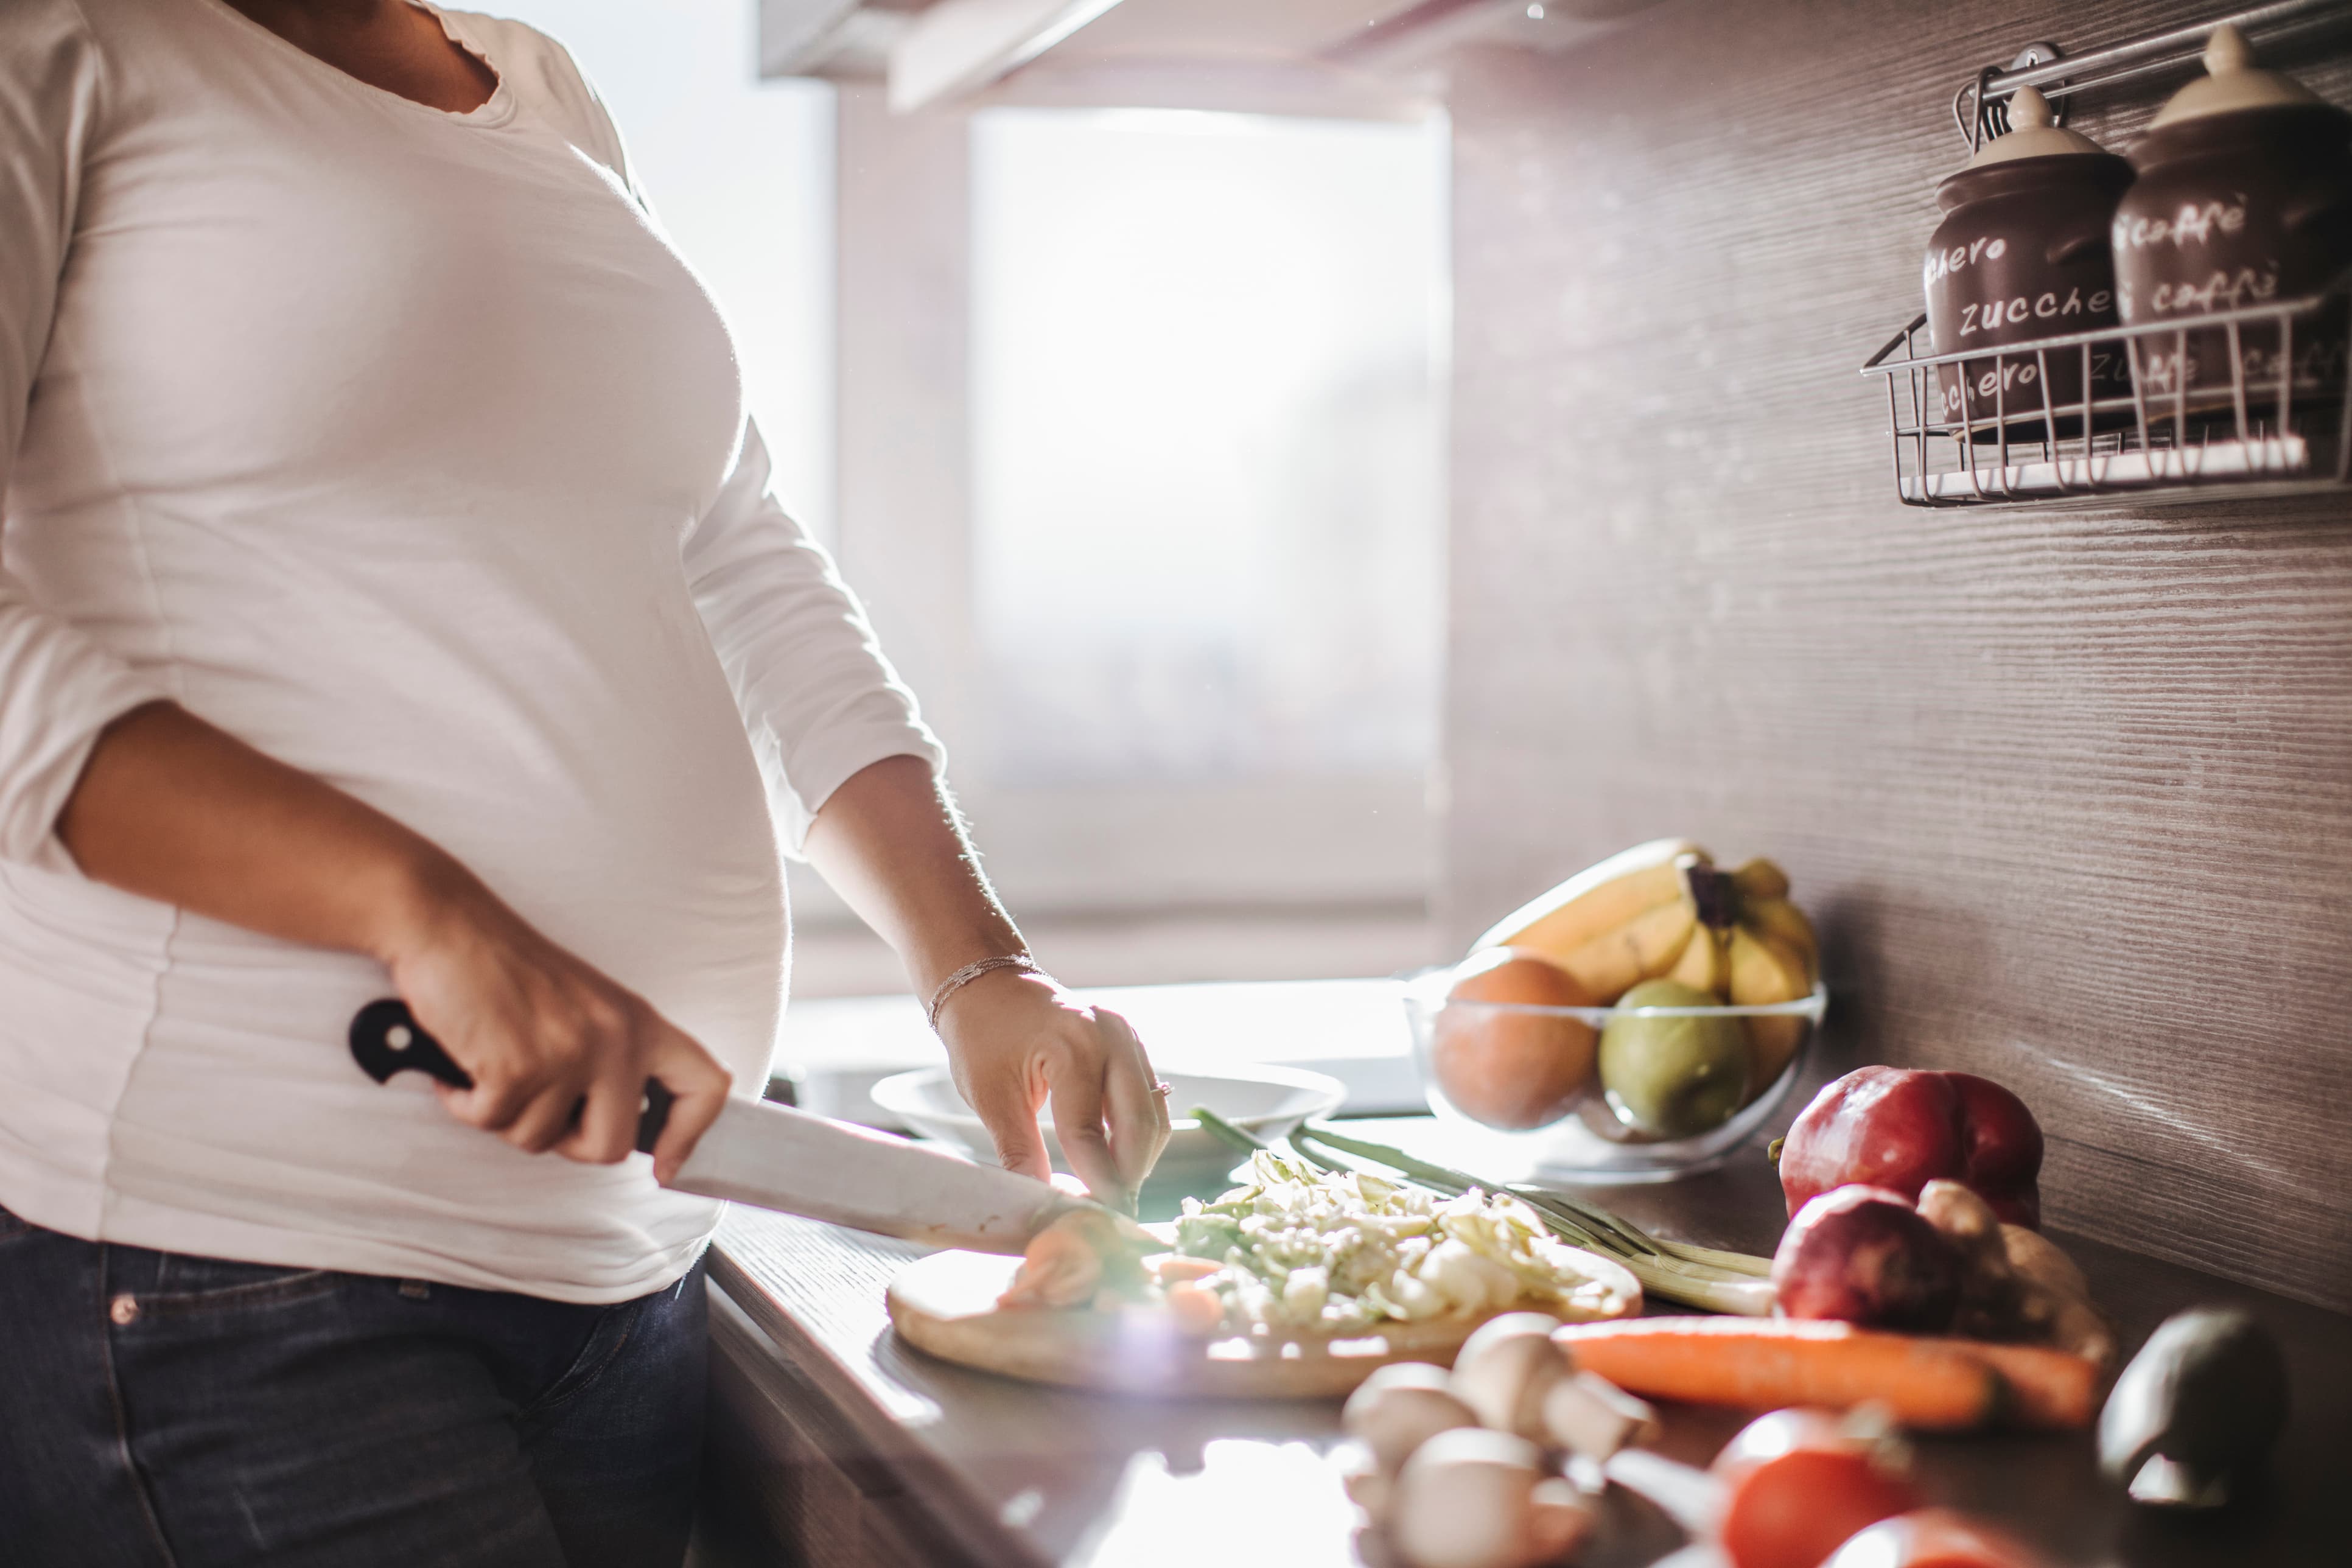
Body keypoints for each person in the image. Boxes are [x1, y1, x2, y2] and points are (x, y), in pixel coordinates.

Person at [0, 2, 1172, 1564]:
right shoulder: (58, 45)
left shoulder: (538, 84)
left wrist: (982, 971)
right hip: (241, 1268)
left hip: (625, 1268)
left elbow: (738, 565)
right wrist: (417, 912)